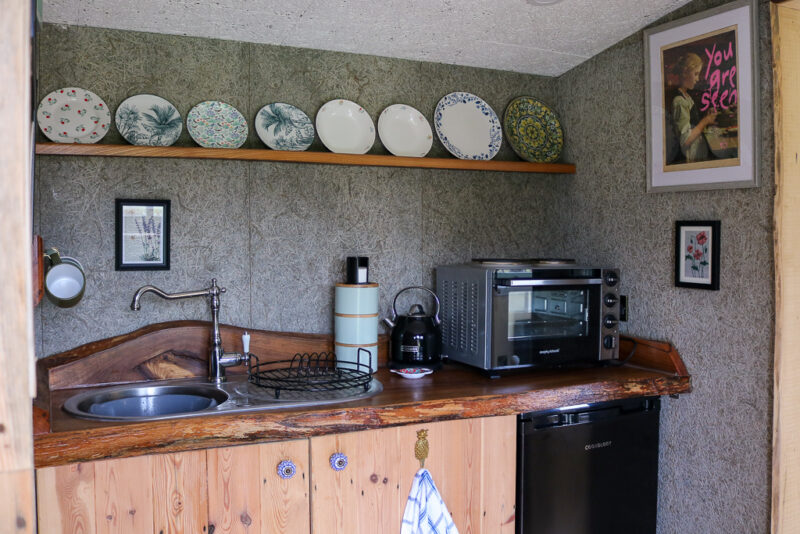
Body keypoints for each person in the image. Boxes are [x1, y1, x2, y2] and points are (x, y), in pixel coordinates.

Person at [670, 52, 718, 163]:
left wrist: (706, 117)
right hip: (690, 157)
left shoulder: (687, 97)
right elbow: (685, 140)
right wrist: (705, 121)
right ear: (685, 73)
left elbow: (692, 124)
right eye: (696, 74)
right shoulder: (679, 101)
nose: (697, 79)